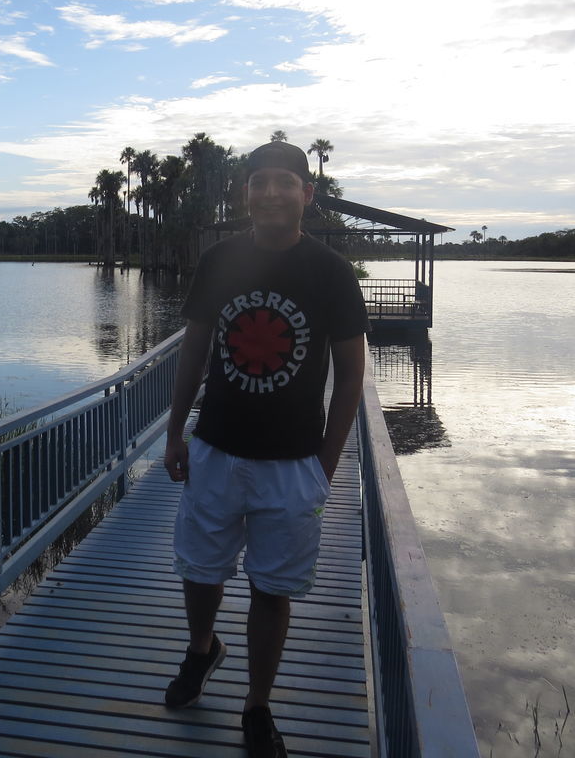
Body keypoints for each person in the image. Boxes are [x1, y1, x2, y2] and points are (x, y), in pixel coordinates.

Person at [162, 140, 369, 758]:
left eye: (285, 182)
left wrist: (325, 464)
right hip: (217, 449)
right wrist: (175, 432)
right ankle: (203, 650)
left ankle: (257, 704)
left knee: (271, 588)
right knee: (200, 571)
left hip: (292, 460)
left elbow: (351, 376)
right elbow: (194, 351)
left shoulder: (330, 272)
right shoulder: (219, 261)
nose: (271, 192)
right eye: (259, 181)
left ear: (308, 194)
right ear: (245, 192)